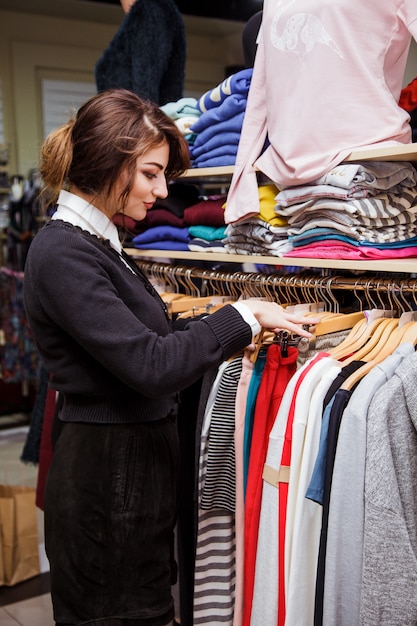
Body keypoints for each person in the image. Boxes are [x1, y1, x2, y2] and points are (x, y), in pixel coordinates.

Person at [23, 88, 316, 626]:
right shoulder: (64, 250)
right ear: (111, 162)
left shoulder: (100, 243)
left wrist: (235, 315)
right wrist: (239, 318)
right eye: (151, 174)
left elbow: (145, 333)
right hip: (106, 477)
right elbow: (150, 365)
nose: (161, 191)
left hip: (125, 471)